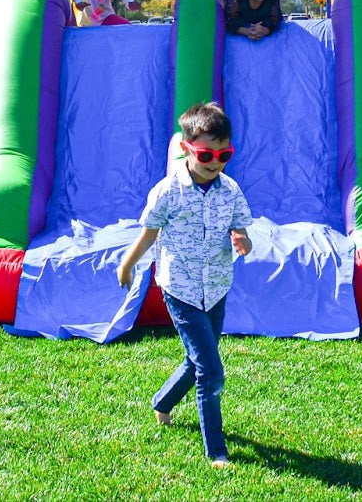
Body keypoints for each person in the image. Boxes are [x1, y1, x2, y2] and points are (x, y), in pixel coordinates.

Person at [116, 102, 253, 467]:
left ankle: (162, 401)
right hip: (181, 289)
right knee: (211, 370)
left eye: (224, 155)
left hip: (217, 287)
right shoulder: (169, 191)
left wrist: (242, 239)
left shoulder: (230, 190)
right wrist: (128, 263)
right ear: (186, 149)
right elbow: (149, 233)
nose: (215, 163)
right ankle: (216, 450)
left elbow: (239, 225)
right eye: (206, 155)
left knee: (197, 361)